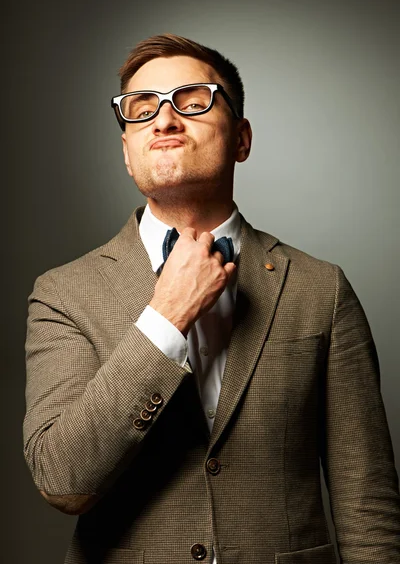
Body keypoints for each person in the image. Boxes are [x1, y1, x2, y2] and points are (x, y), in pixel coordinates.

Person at [23, 33, 400, 564]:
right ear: (127, 153)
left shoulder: (323, 289)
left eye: (193, 99)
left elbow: (369, 506)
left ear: (242, 139)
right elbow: (63, 479)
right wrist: (166, 316)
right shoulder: (63, 293)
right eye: (141, 107)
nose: (165, 120)